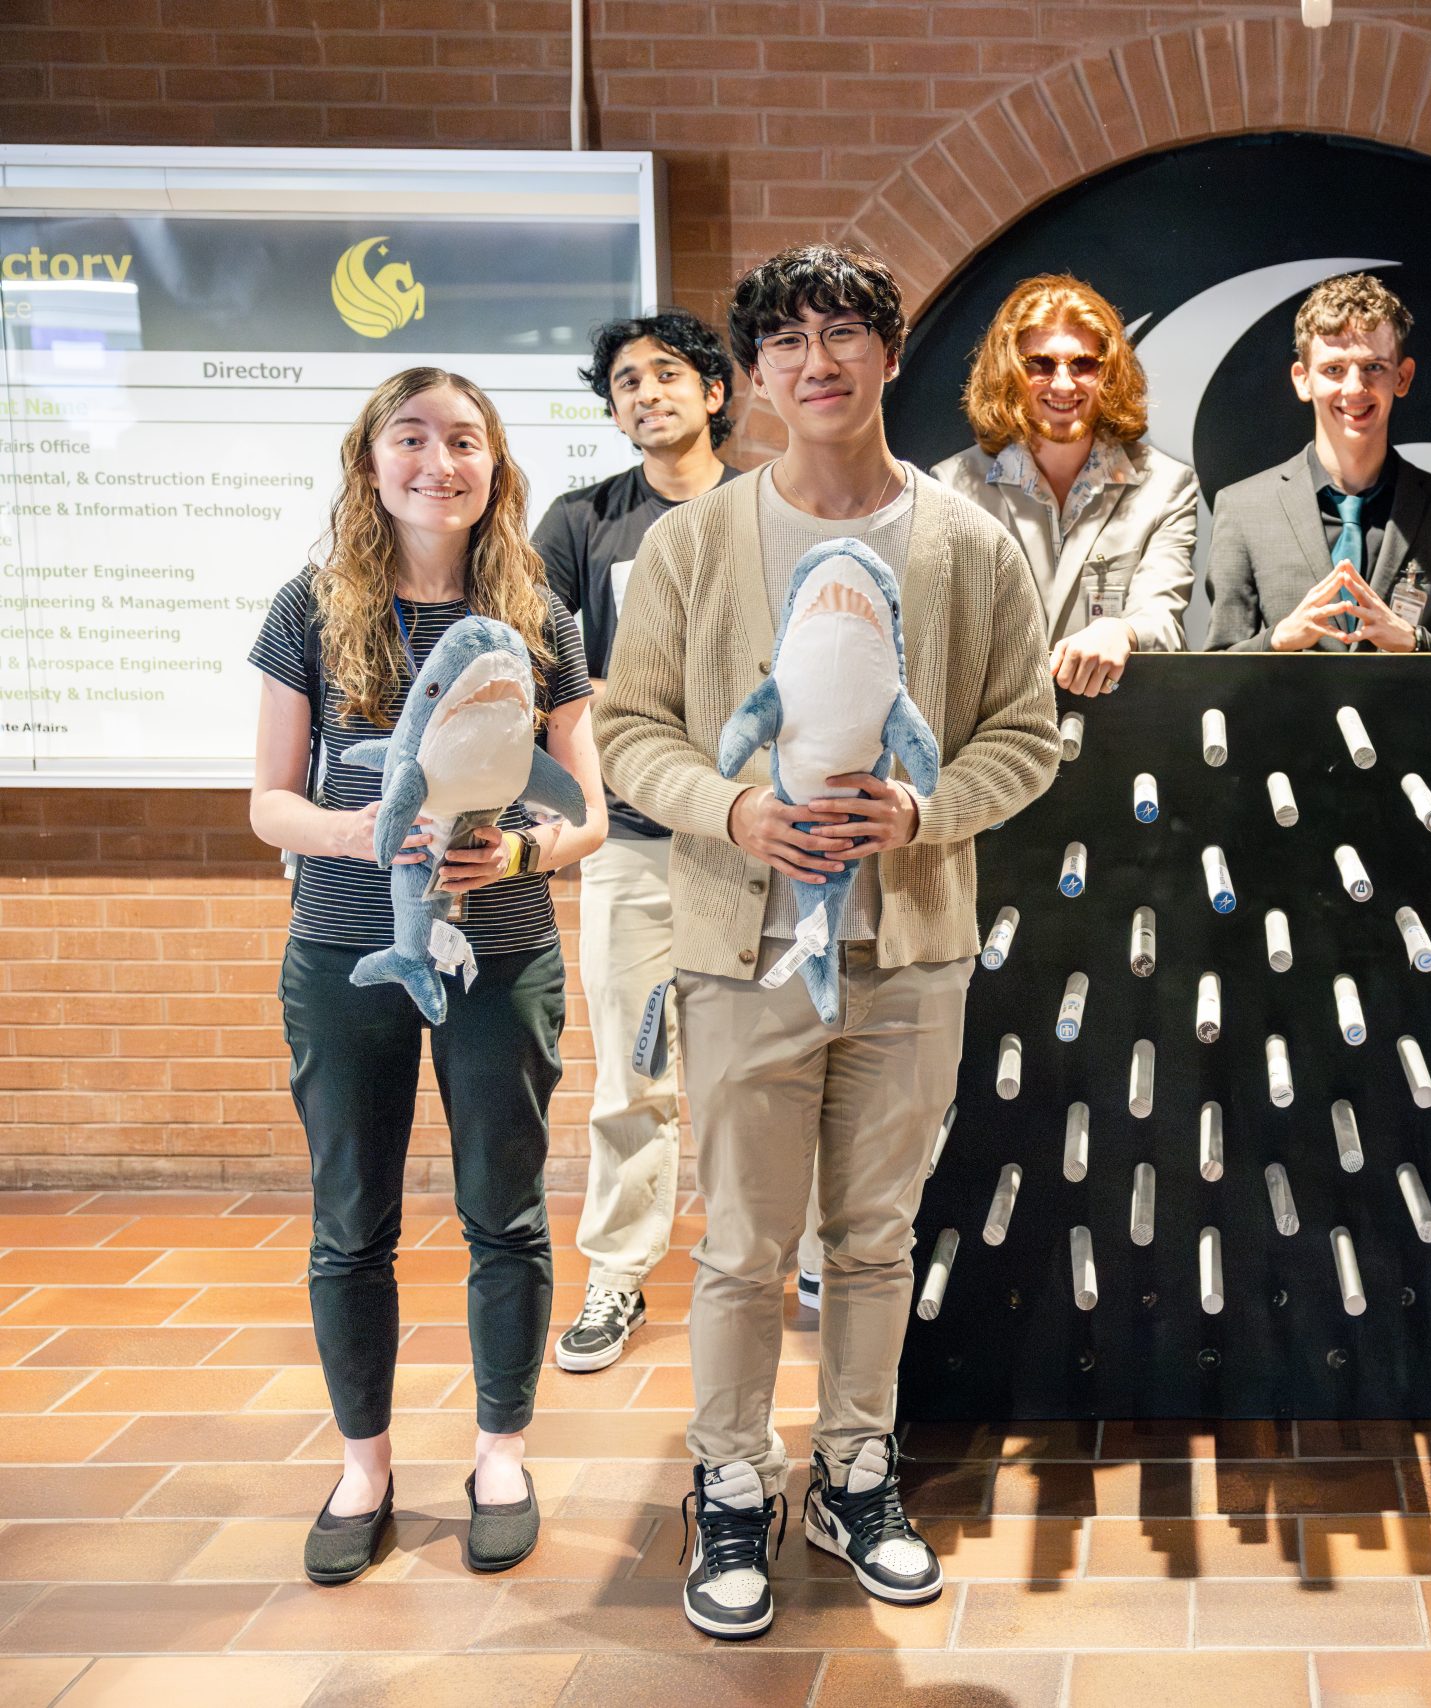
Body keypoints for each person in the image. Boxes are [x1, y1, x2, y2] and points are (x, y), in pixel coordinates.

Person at [596, 242, 1059, 1640]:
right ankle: (732, 1484)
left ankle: (858, 1468)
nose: (816, 362)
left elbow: (1027, 738)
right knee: (741, 1245)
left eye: (843, 334)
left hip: (912, 957)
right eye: (785, 341)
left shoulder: (971, 543)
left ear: (890, 354)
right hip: (739, 956)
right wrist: (732, 811)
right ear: (751, 375)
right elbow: (628, 734)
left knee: (872, 1238)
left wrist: (925, 807)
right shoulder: (695, 544)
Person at [247, 367, 609, 1585]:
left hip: (503, 952)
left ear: (495, 467)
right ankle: (364, 1462)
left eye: (465, 441)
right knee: (352, 1219)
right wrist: (365, 834)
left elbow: (591, 815)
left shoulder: (543, 620)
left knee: (504, 1210)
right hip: (345, 952)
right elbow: (267, 804)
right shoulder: (310, 607)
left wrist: (505, 848)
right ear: (371, 459)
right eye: (412, 438)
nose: (437, 463)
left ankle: (499, 1450)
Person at [536, 309, 743, 1376]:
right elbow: (540, 676)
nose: (647, 393)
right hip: (633, 843)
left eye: (668, 374)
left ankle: (777, 1260)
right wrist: (623, 707)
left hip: (761, 842)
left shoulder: (770, 507)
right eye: (625, 381)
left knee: (762, 1073)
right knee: (631, 1073)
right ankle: (618, 1277)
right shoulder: (580, 526)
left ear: (715, 392)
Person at [932, 273, 1198, 696]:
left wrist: (1122, 631)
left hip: (1112, 730)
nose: (1062, 383)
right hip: (993, 738)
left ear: (1108, 374)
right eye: (1039, 363)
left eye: (1083, 364)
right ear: (1009, 372)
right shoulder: (953, 488)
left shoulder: (1166, 485)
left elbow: (1163, 621)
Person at [1201, 272, 1431, 653]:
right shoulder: (1242, 509)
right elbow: (1217, 671)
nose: (1354, 388)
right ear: (1303, 380)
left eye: (1374, 367)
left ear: (1402, 378)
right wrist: (1277, 640)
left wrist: (1413, 642)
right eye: (1333, 369)